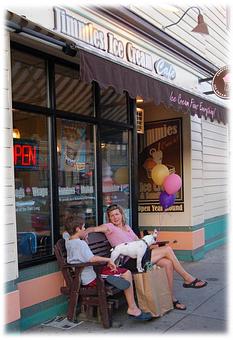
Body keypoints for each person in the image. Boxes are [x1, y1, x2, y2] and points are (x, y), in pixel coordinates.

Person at [84, 204, 208, 311]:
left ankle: (171, 299)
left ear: (122, 214)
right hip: (128, 262)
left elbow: (139, 241)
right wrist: (85, 232)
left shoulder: (127, 228)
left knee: (167, 263)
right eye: (112, 216)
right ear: (109, 218)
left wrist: (151, 242)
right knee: (167, 249)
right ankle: (187, 278)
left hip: (139, 256)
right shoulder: (109, 227)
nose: (115, 217)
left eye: (117, 214)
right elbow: (93, 228)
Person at [63, 213, 153, 321]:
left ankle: (111, 278)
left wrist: (78, 235)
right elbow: (92, 259)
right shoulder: (80, 244)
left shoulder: (69, 241)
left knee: (121, 272)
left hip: (85, 274)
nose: (85, 229)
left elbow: (66, 234)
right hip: (92, 278)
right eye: (83, 228)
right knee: (126, 273)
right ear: (77, 229)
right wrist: (108, 259)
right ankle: (132, 308)